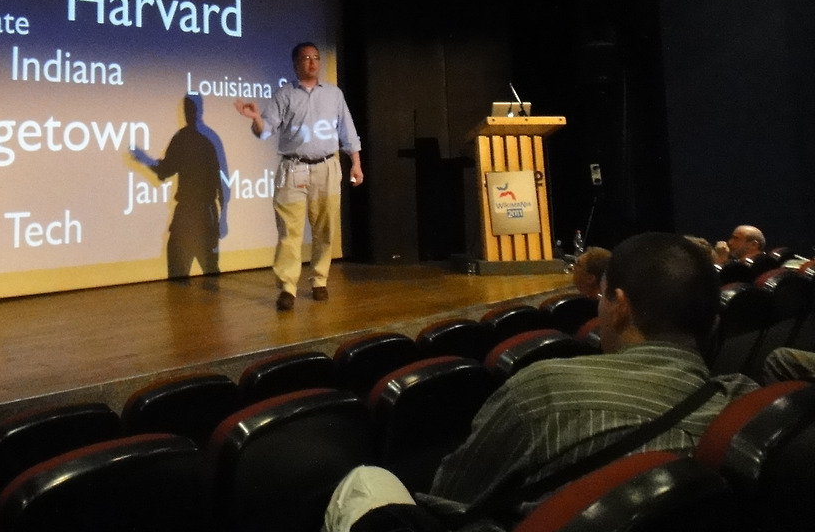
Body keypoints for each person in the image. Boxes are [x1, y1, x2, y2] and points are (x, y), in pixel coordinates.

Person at [324, 232, 757, 530]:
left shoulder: (547, 391)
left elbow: (451, 499)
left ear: (620, 306)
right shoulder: (745, 405)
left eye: (603, 296)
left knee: (364, 482)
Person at [235, 42, 363, 311]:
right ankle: (288, 287)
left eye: (316, 57)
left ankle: (319, 280)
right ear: (295, 64)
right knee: (289, 231)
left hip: (327, 167)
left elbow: (348, 132)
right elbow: (265, 131)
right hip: (294, 168)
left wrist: (356, 164)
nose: (312, 62)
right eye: (306, 58)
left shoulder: (334, 94)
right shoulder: (285, 94)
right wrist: (256, 117)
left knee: (325, 228)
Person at [130, 94, 228, 278]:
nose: (188, 112)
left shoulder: (201, 139)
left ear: (198, 109)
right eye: (186, 108)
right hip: (190, 215)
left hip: (201, 215)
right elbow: (166, 169)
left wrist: (224, 218)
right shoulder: (187, 138)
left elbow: (223, 181)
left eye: (190, 108)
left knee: (206, 277)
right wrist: (144, 159)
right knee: (187, 275)